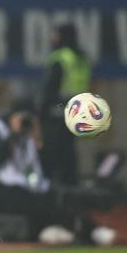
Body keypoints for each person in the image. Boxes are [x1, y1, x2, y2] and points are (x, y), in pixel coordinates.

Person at [0, 101, 116, 246]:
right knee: (42, 201)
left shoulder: (27, 135)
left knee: (59, 195)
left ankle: (90, 229)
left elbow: (34, 170)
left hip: (22, 188)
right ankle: (80, 231)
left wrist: (37, 136)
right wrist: (13, 136)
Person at [39, 23, 91, 186]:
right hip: (75, 116)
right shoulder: (81, 59)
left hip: (56, 114)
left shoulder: (61, 58)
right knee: (68, 159)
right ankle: (70, 193)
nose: (52, 39)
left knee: (50, 163)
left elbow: (49, 92)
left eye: (55, 35)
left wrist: (40, 114)